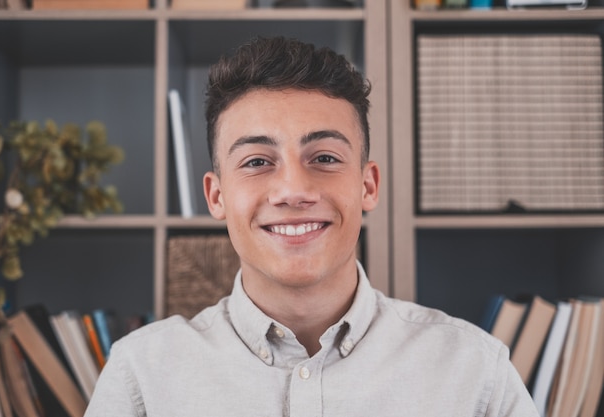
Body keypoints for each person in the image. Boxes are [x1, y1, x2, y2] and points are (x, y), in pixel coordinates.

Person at [84, 36, 539, 416]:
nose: (292, 191)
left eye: (324, 158)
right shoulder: (141, 376)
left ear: (368, 185)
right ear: (217, 196)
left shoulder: (476, 371)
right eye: (258, 161)